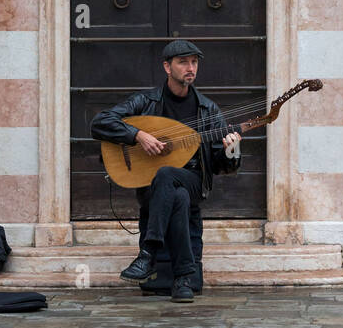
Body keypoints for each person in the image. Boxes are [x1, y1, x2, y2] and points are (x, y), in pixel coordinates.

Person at [90, 39, 241, 302]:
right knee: (175, 193)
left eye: (194, 62)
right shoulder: (145, 101)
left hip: (194, 180)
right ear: (167, 67)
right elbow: (99, 123)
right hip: (153, 185)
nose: (190, 68)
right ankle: (184, 279)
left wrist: (232, 150)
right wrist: (137, 135)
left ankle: (147, 254)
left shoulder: (208, 109)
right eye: (183, 62)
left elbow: (222, 167)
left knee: (169, 176)